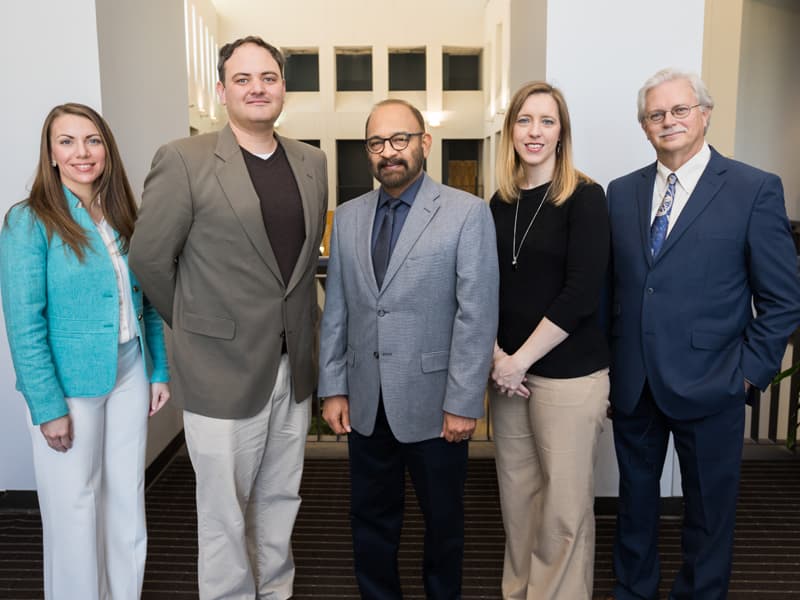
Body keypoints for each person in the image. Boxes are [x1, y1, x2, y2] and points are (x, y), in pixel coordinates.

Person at [128, 36, 327, 599]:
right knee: (223, 512)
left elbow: (302, 263)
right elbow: (148, 259)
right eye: (243, 79)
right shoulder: (183, 160)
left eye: (268, 77)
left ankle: (275, 591)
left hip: (293, 368)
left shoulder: (312, 162)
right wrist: (195, 327)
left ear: (283, 87)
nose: (257, 88)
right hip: (219, 370)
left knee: (281, 497)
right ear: (221, 91)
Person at [607, 68, 800, 599]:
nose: (667, 121)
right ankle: (634, 591)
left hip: (714, 384)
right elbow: (617, 290)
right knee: (635, 510)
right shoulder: (621, 193)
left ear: (704, 114)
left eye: (679, 110)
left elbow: (784, 300)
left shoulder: (753, 188)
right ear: (644, 126)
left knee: (710, 516)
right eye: (655, 114)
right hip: (635, 386)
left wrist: (746, 375)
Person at [318, 99, 498, 599]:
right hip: (365, 402)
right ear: (367, 152)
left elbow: (476, 314)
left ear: (425, 143)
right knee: (370, 523)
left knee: (444, 526)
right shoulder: (349, 217)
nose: (388, 152)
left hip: (437, 406)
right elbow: (339, 309)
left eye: (400, 140)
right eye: (377, 143)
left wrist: (464, 402)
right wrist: (333, 387)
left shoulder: (466, 213)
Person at [0, 103, 170, 600]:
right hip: (68, 384)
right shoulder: (29, 221)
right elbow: (23, 324)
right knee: (74, 505)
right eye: (67, 141)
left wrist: (157, 369)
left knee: (124, 500)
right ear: (50, 154)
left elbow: (147, 302)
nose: (82, 152)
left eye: (92, 140)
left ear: (107, 149)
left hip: (129, 372)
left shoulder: (121, 215)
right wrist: (47, 407)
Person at [489, 82, 610, 599]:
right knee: (518, 501)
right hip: (507, 376)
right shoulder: (499, 201)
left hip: (569, 376)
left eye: (547, 121)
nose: (534, 132)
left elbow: (581, 292)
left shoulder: (584, 197)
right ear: (510, 130)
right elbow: (481, 286)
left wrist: (518, 360)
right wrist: (499, 358)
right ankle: (519, 591)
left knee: (564, 507)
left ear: (562, 133)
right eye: (525, 120)